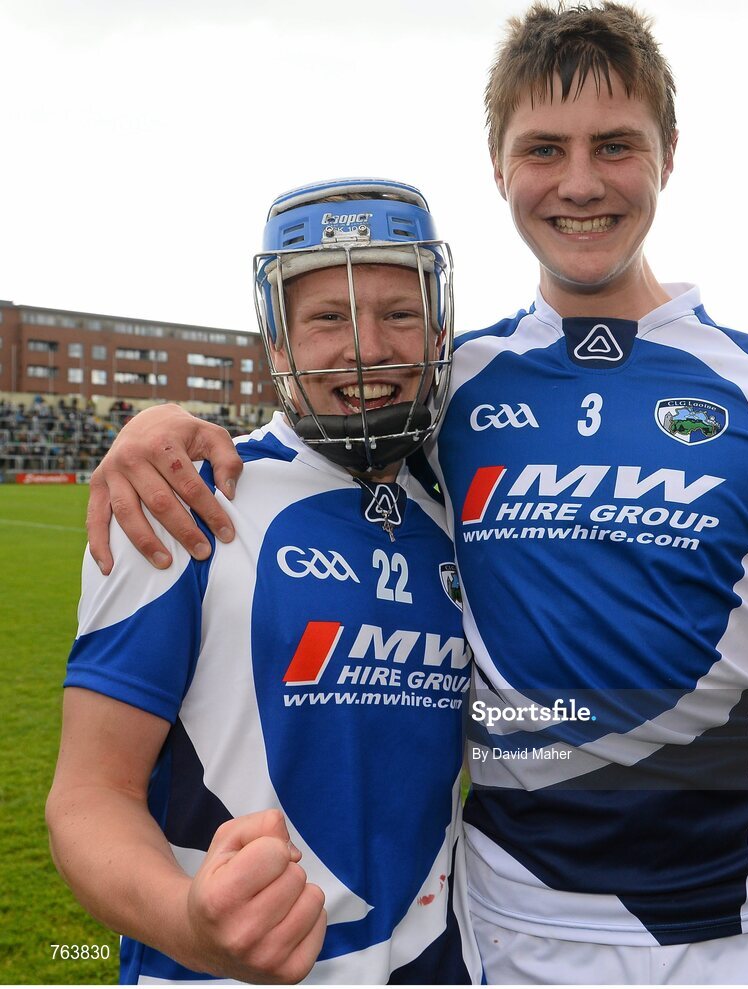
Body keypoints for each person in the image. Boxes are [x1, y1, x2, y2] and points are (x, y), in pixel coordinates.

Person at [83, 3, 748, 984]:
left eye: (615, 145)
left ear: (669, 154)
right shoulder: (453, 386)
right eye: (544, 149)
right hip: (520, 936)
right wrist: (154, 421)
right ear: (498, 166)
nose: (579, 182)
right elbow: (326, 410)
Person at [47, 178, 481, 985]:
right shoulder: (182, 502)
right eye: (326, 317)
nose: (367, 346)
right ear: (276, 345)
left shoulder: (468, 517)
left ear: (440, 327)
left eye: (399, 312)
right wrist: (189, 923)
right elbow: (86, 799)